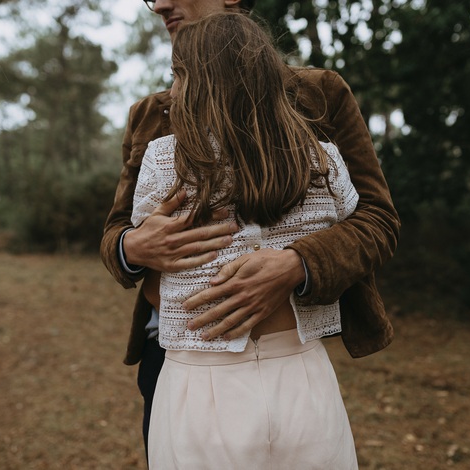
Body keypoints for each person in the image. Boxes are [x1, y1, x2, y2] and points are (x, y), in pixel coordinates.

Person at [100, 0, 399, 456]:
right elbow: (116, 231)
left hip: (293, 349)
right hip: (178, 355)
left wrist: (299, 265)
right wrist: (132, 247)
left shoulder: (319, 93)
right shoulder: (151, 115)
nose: (159, 3)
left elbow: (376, 217)